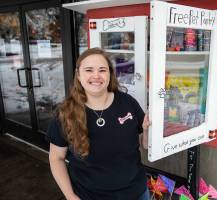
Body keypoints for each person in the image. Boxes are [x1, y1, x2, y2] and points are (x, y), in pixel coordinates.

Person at [47, 47, 150, 200]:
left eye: (102, 70)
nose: (96, 76)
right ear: (78, 75)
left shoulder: (128, 103)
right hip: (88, 195)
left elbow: (145, 144)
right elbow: (56, 158)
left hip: (136, 193)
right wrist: (70, 196)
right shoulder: (66, 113)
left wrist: (147, 130)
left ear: (110, 74)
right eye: (89, 70)